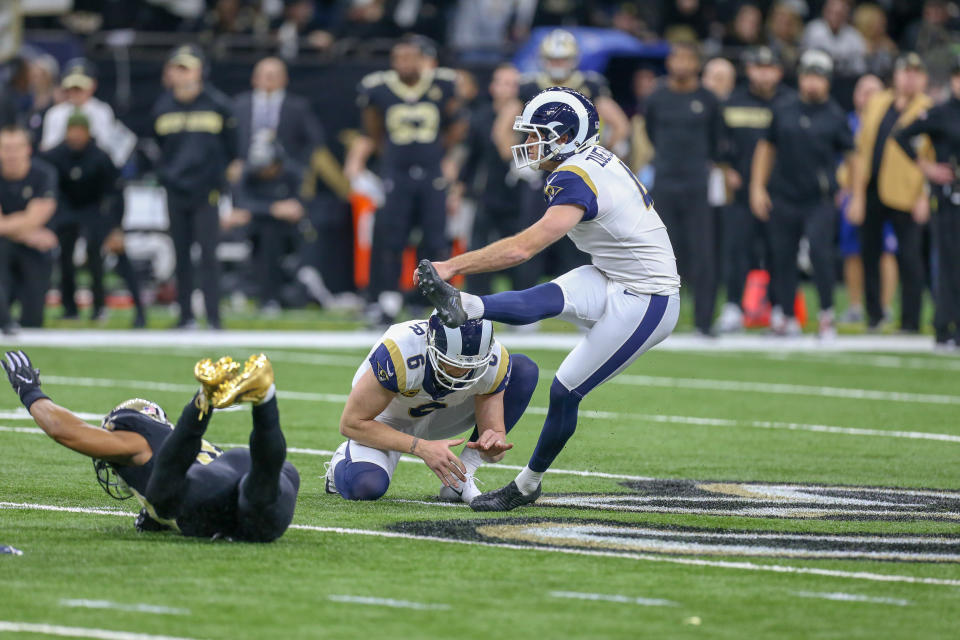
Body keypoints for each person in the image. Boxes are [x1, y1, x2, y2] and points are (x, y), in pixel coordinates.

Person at [417, 88, 680, 511]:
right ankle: (465, 307)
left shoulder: (573, 176)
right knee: (546, 298)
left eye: (536, 135)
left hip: (648, 297)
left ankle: (527, 484)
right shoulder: (591, 160)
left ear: (565, 137)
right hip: (615, 274)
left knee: (565, 390)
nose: (526, 144)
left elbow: (524, 249)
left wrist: (452, 265)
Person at [2, 350, 300, 542]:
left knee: (166, 498)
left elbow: (65, 431)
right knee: (260, 487)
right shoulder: (167, 443)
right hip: (256, 470)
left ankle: (206, 400)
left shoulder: (135, 438)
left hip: (212, 493)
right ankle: (264, 398)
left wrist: (30, 392)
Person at [327, 313, 539, 504]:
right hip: (388, 418)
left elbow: (493, 442)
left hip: (444, 413)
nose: (461, 372)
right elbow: (351, 423)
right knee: (366, 486)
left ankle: (460, 479)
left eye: (471, 365)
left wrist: (491, 447)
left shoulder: (494, 359)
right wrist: (421, 447)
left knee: (522, 370)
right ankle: (339, 466)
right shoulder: (401, 351)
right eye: (452, 362)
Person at [343, 36, 465, 325]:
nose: (405, 64)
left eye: (411, 58)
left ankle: (427, 299)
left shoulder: (443, 84)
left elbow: (458, 123)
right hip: (396, 174)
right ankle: (387, 299)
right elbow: (372, 126)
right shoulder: (378, 88)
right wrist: (389, 157)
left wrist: (439, 154)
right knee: (391, 237)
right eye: (400, 58)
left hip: (431, 173)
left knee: (435, 238)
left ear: (423, 60)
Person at [750, 49, 854, 338]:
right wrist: (758, 187)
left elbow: (851, 157)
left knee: (820, 253)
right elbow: (766, 148)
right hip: (784, 195)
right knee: (781, 256)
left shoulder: (834, 115)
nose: (812, 83)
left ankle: (826, 315)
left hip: (819, 198)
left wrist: (850, 191)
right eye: (808, 75)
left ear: (828, 81)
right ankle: (785, 316)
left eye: (818, 77)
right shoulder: (784, 108)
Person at [151, 44, 238, 330]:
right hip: (175, 190)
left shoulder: (217, 104)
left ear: (200, 71)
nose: (181, 74)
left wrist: (223, 179)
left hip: (206, 191)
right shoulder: (162, 106)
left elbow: (232, 148)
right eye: (177, 68)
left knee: (209, 255)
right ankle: (185, 315)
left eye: (186, 68)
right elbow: (158, 149)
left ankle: (214, 317)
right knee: (181, 254)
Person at [848, 52, 933, 333]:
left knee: (909, 257)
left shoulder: (929, 108)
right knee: (869, 253)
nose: (909, 78)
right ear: (895, 76)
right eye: (904, 72)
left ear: (924, 78)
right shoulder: (878, 103)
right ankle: (874, 315)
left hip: (907, 193)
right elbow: (861, 149)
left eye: (915, 73)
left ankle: (910, 320)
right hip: (871, 187)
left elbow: (933, 156)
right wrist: (856, 194)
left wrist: (924, 195)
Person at [645, 41, 724, 336]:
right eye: (676, 57)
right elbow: (651, 131)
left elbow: (717, 140)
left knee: (703, 252)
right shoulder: (657, 97)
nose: (681, 64)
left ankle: (705, 321)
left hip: (697, 184)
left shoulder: (708, 99)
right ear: (669, 62)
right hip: (664, 182)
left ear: (696, 63)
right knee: (661, 254)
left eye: (687, 58)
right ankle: (657, 321)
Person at [42, 111, 146, 327]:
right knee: (65, 254)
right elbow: (50, 190)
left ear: (88, 133)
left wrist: (116, 226)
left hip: (95, 210)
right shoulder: (55, 156)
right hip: (66, 210)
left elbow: (114, 193)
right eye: (72, 130)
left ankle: (100, 306)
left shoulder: (100, 156)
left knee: (96, 252)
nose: (76, 136)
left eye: (80, 131)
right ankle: (69, 307)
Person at [715, 46, 792, 334]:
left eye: (769, 67)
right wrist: (726, 169)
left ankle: (778, 309)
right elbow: (719, 141)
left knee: (779, 250)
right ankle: (734, 306)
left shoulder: (790, 102)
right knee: (738, 249)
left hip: (781, 190)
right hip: (741, 190)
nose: (763, 73)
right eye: (758, 67)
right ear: (749, 70)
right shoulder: (733, 101)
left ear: (779, 72)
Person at [893, 54, 960, 348]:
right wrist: (928, 168)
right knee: (948, 263)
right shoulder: (941, 112)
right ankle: (945, 324)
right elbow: (902, 135)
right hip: (949, 199)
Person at [837, 74, 898, 325]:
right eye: (864, 91)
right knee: (852, 250)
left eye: (874, 91)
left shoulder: (892, 120)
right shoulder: (847, 123)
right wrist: (841, 187)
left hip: (884, 193)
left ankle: (885, 305)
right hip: (852, 194)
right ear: (855, 95)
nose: (869, 96)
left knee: (886, 250)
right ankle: (854, 305)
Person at [229, 134, 305, 313]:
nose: (263, 172)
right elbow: (240, 207)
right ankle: (265, 297)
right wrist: (273, 209)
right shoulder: (249, 175)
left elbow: (298, 208)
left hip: (288, 233)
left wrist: (264, 210)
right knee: (266, 230)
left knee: (271, 232)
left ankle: (272, 297)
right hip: (255, 232)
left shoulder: (292, 174)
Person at [0, 125, 57, 331]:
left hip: (34, 250)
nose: (11, 153)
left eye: (16, 147)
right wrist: (27, 232)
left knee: (34, 320)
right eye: (5, 148)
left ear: (28, 149)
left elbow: (38, 215)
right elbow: (30, 222)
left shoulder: (43, 174)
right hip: (12, 245)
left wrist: (12, 226)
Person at [232, 56, 325, 178]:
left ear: (285, 79)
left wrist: (298, 165)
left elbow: (315, 139)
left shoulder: (298, 106)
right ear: (254, 79)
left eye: (274, 75)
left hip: (285, 168)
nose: (269, 78)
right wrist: (232, 162)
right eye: (265, 74)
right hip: (245, 166)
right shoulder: (238, 105)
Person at [39, 58, 136, 169]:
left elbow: (106, 147)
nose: (76, 91)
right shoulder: (54, 114)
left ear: (93, 85)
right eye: (73, 87)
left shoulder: (102, 111)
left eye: (80, 87)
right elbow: (49, 149)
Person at [801, 0, 867, 75]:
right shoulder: (813, 30)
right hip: (817, 75)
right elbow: (804, 59)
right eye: (832, 13)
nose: (835, 17)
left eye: (840, 14)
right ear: (825, 12)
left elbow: (859, 68)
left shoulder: (854, 36)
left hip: (845, 79)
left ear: (846, 15)